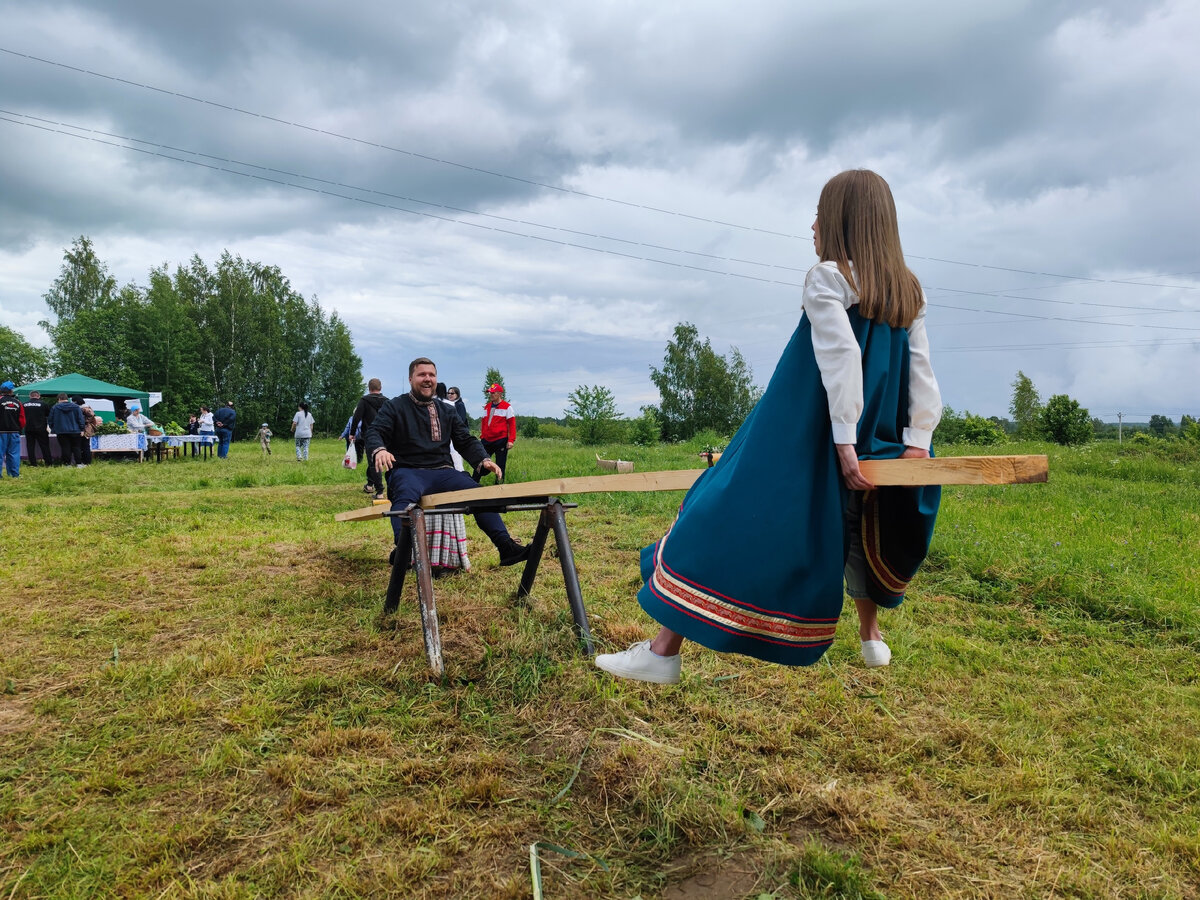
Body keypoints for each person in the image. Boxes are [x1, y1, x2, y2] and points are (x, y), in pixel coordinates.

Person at [594, 169, 942, 684]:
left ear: (843, 220)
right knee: (860, 523)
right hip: (882, 439)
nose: (813, 224)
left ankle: (663, 652)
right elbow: (922, 374)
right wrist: (917, 442)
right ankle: (870, 637)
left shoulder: (828, 276)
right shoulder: (907, 291)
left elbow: (840, 357)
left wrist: (843, 440)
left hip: (807, 433)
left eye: (821, 214)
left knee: (721, 506)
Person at [365, 357, 531, 568]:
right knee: (404, 500)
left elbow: (465, 439)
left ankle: (506, 548)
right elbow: (375, 431)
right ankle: (405, 550)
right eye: (422, 374)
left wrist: (483, 459)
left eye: (432, 375)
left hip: (443, 472)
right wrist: (380, 450)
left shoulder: (446, 410)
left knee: (480, 496)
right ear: (410, 379)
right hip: (408, 471)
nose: (427, 379)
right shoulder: (395, 406)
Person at [472, 383, 516, 484]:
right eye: (490, 393)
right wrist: (482, 436)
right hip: (486, 440)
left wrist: (511, 440)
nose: (491, 395)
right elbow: (484, 424)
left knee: (500, 463)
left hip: (500, 440)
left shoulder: (507, 407)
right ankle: (473, 482)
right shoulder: (487, 407)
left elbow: (512, 424)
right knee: (480, 461)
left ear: (500, 393)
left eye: (493, 393)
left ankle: (499, 485)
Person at [349, 378, 386, 499]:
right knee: (375, 460)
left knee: (373, 462)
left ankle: (380, 491)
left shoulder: (364, 400)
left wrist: (352, 433)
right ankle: (370, 484)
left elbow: (356, 417)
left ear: (369, 388)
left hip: (370, 434)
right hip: (385, 434)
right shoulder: (387, 401)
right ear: (380, 388)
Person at [49, 392, 86, 467]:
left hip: (61, 431)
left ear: (59, 399)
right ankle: (79, 464)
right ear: (67, 398)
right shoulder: (76, 407)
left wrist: (53, 429)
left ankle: (67, 464)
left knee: (65, 447)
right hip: (75, 430)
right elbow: (80, 419)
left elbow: (50, 420)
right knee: (77, 447)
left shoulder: (55, 407)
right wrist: (82, 429)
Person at [0, 381, 24, 478]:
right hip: (14, 432)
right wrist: (18, 428)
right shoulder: (18, 403)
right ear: (11, 391)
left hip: (1, 431)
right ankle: (14, 474)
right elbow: (22, 419)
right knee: (14, 454)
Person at [22, 390, 51, 467]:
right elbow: (48, 414)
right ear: (39, 396)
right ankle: (48, 463)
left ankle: (33, 463)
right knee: (45, 446)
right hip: (41, 428)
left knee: (30, 446)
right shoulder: (43, 404)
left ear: (30, 396)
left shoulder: (24, 405)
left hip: (28, 428)